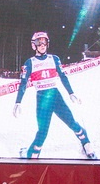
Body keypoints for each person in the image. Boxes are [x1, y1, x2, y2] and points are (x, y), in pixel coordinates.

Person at [14, 31, 95, 159]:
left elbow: (63, 76)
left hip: (55, 96)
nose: (42, 45)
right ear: (33, 45)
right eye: (39, 42)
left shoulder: (54, 59)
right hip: (42, 98)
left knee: (72, 122)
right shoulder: (30, 63)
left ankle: (86, 143)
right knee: (42, 132)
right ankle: (32, 155)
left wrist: (71, 93)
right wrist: (18, 101)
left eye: (44, 42)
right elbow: (23, 83)